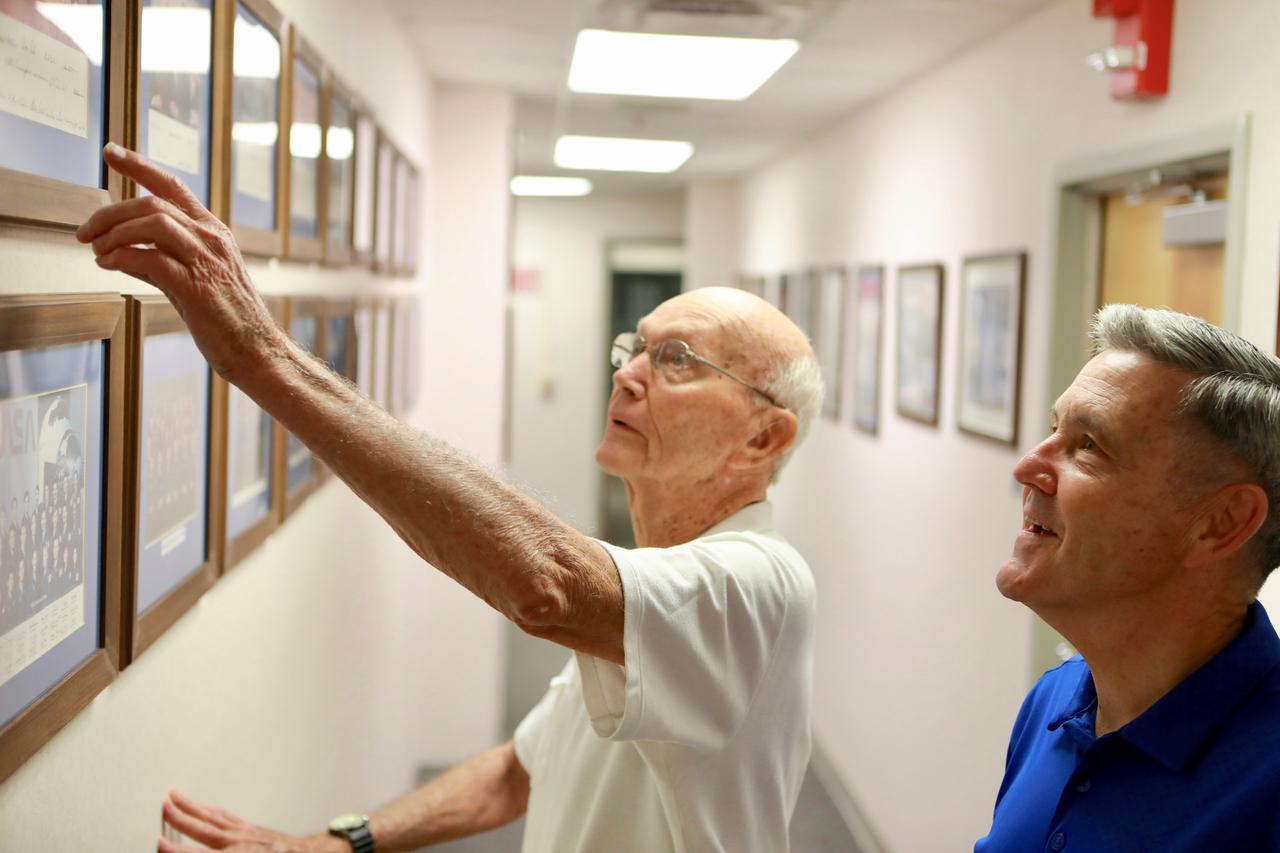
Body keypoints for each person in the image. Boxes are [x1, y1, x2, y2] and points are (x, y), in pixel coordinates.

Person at [76, 143, 824, 853]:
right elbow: (519, 769)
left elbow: (547, 584)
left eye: (677, 361)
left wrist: (261, 356)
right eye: (635, 349)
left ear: (763, 439)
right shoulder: (648, 593)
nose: (629, 374)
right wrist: (338, 841)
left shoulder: (761, 587)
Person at [976, 305, 1280, 851]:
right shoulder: (1054, 700)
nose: (1027, 466)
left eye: (1089, 445)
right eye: (1053, 430)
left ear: (1221, 522)